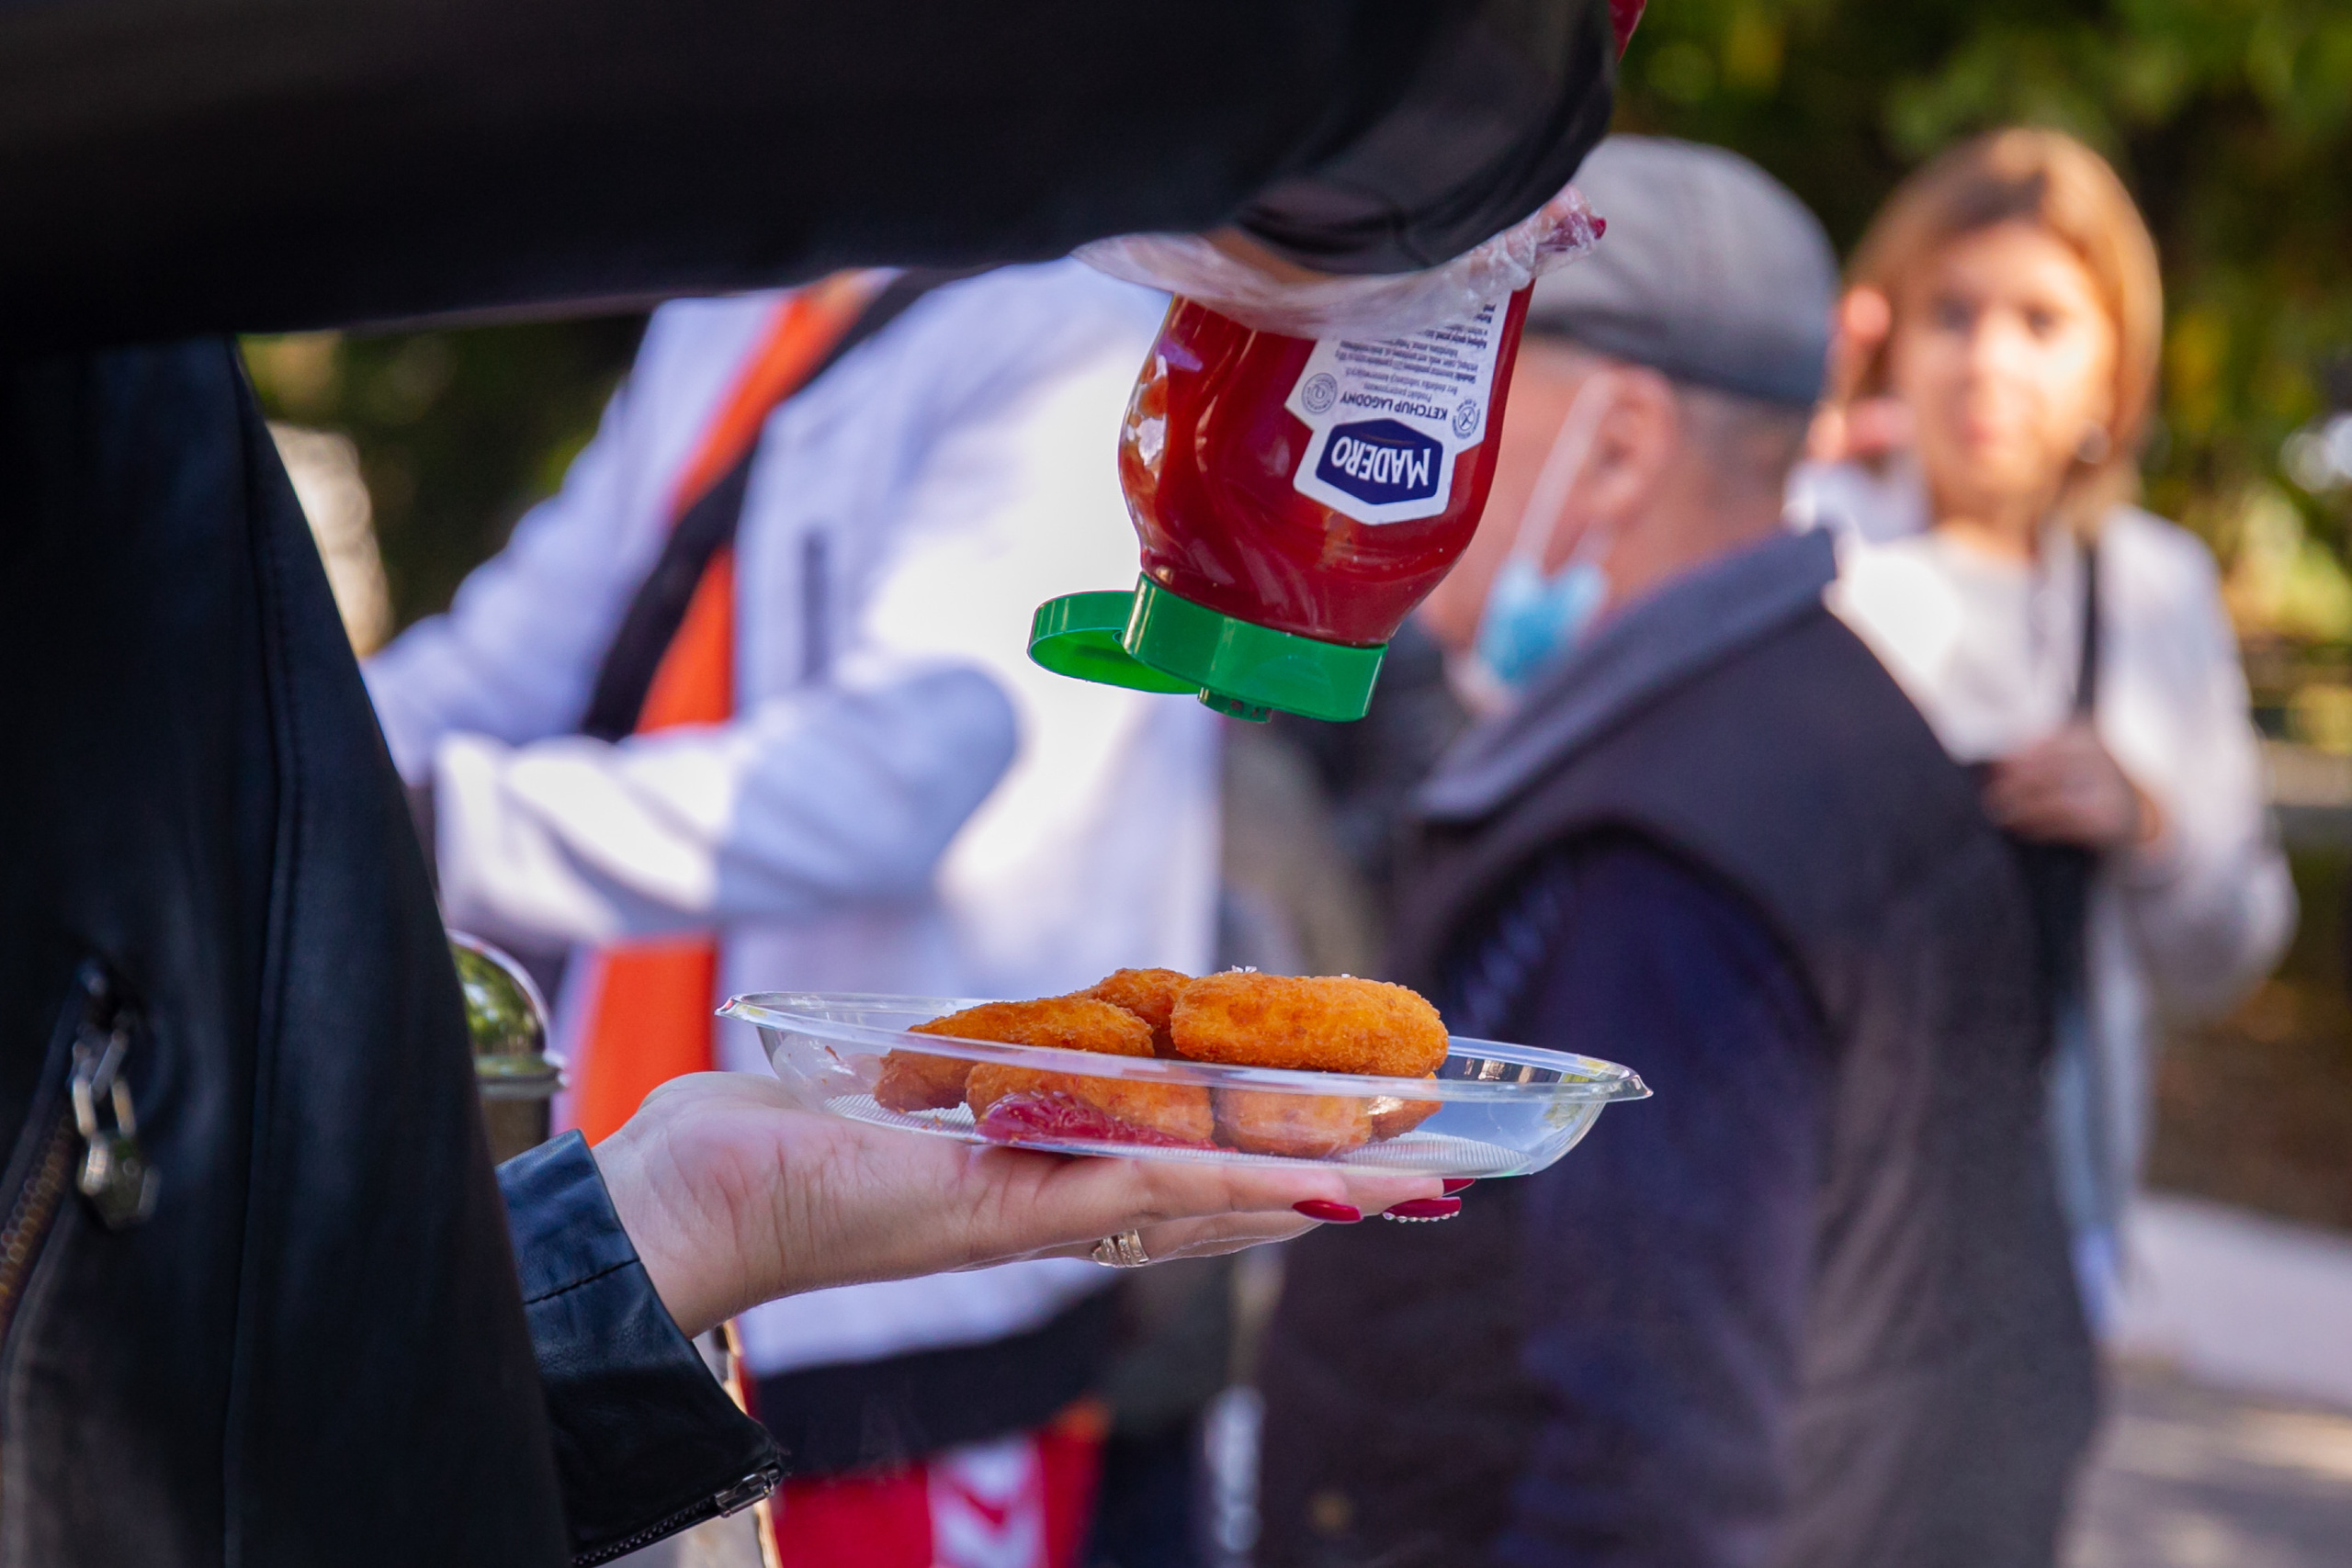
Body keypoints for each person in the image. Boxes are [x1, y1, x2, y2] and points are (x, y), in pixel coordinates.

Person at [0, 3, 1623, 1561]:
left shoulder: (1061, 322)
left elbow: (913, 765)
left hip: (939, 1277)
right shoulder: (733, 299)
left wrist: (394, 831)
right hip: (691, 1180)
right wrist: (307, 808)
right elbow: (530, 639)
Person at [1254, 137, 2097, 1568]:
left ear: (1624, 444)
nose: (1405, 437)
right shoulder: (1828, 714)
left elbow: (1656, 1477)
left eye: (1454, 380)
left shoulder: (1660, 852)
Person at [367, 257, 1217, 1566]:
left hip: (903, 1299)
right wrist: (256, 770)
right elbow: (507, 658)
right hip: (647, 1226)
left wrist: (431, 824)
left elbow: (891, 783)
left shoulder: (1069, 328)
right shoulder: (727, 308)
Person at [1793, 129, 2294, 1320]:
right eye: (1951, 313)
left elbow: (2227, 956)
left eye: (2041, 321)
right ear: (1889, 338)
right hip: (1802, 1205)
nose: (1988, 363)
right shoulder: (1807, 538)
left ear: (2116, 369)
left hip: (2032, 1247)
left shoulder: (2152, 592)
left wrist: (2152, 825)